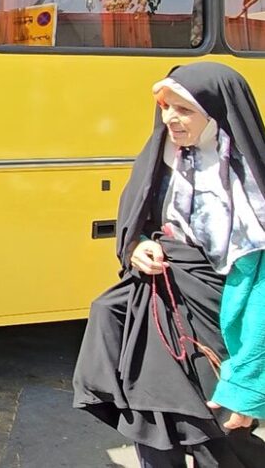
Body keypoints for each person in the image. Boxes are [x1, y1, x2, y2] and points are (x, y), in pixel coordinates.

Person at [73, 62, 265, 468]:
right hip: (159, 310)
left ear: (216, 115)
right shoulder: (164, 159)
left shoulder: (251, 185)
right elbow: (139, 222)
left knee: (220, 442)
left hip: (215, 326)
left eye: (184, 110)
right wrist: (138, 247)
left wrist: (246, 387)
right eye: (165, 107)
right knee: (153, 427)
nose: (170, 119)